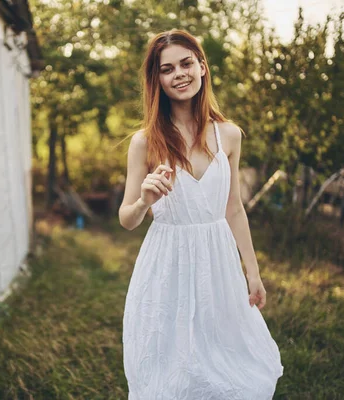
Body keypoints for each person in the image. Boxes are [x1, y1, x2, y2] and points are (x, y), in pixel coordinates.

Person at [118, 29, 284, 399]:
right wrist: (145, 199)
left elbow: (234, 208)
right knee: (169, 366)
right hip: (167, 262)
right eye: (167, 68)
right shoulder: (145, 141)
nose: (179, 74)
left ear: (203, 67)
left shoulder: (229, 136)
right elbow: (127, 218)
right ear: (156, 79)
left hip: (216, 261)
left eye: (186, 63)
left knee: (226, 360)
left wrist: (252, 272)